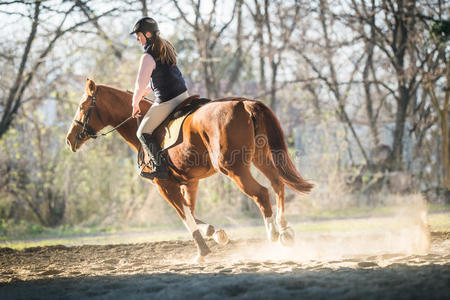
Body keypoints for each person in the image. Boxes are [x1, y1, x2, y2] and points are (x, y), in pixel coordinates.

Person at [130, 17, 189, 180]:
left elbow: (138, 85)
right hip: (183, 96)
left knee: (142, 132)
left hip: (167, 101)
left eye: (138, 34)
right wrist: (146, 91)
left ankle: (159, 167)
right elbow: (160, 77)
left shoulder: (147, 56)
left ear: (148, 34)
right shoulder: (165, 47)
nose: (137, 38)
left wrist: (135, 104)